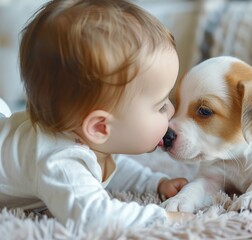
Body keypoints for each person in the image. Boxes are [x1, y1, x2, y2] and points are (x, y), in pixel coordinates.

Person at [0, 0, 193, 232]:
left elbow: (111, 166)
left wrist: (156, 183)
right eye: (160, 106)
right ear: (100, 128)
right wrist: (168, 218)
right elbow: (95, 219)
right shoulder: (61, 162)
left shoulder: (90, 145)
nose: (171, 111)